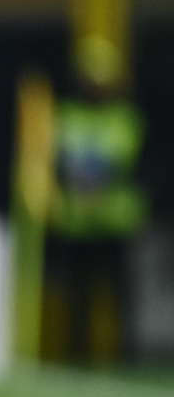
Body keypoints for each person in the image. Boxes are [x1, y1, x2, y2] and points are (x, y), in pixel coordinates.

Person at [47, 36, 147, 363]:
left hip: (114, 219)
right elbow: (58, 160)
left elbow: (119, 161)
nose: (97, 89)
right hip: (76, 221)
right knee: (78, 292)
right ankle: (77, 353)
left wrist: (91, 177)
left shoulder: (124, 117)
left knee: (119, 292)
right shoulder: (66, 115)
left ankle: (127, 353)